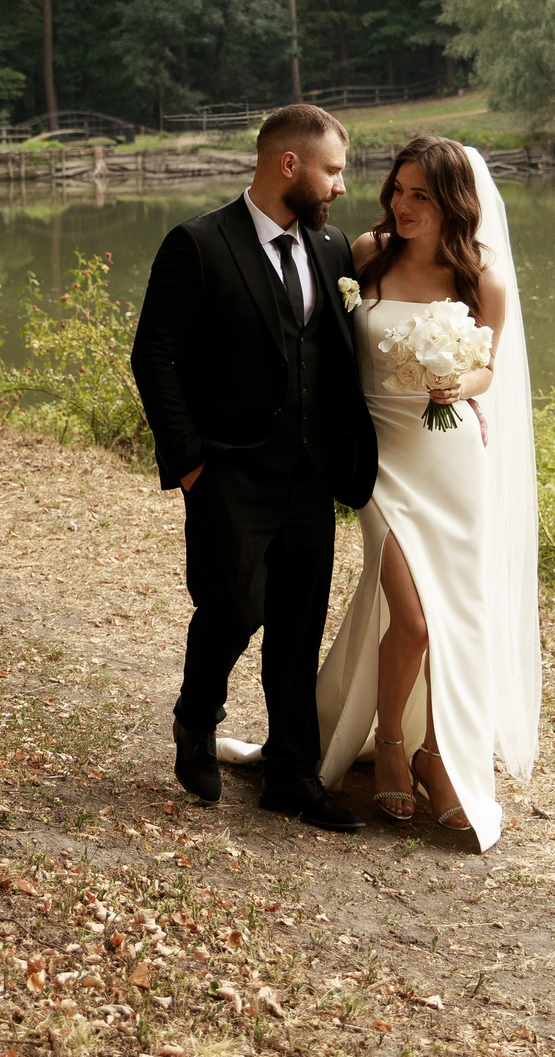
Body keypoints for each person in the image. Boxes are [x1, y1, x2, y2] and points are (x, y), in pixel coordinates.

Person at [129, 104, 379, 832]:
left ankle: (292, 773)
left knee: (299, 623)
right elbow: (154, 357)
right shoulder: (199, 243)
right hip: (229, 469)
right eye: (332, 171)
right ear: (288, 164)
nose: (339, 186)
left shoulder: (332, 248)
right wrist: (190, 463)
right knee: (234, 607)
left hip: (310, 472)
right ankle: (196, 713)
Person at [313, 136, 540, 849]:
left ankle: (436, 755)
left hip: (449, 455)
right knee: (410, 619)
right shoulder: (366, 253)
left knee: (454, 615)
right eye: (398, 190)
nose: (403, 206)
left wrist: (457, 381)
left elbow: (488, 369)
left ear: (454, 204)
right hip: (377, 456)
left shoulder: (482, 277)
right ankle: (388, 742)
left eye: (421, 196)